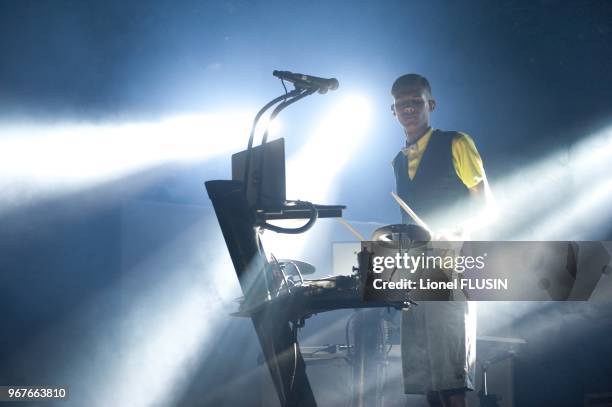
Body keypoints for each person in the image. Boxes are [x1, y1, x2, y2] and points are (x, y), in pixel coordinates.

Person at [390, 73, 492, 407]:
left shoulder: (456, 142)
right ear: (393, 111)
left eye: (415, 101)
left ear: (430, 104)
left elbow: (484, 205)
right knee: (427, 379)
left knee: (451, 376)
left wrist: (457, 231)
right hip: (415, 268)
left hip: (451, 262)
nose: (408, 108)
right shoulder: (398, 161)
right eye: (402, 103)